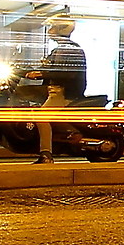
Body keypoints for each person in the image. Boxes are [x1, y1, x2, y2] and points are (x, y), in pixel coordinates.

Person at [30, 20, 91, 163]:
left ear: (61, 29)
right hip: (54, 90)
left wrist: (41, 74)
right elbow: (49, 69)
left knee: (41, 117)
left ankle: (46, 154)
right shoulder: (59, 49)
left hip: (63, 92)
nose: (50, 30)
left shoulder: (70, 49)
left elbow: (66, 74)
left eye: (53, 27)